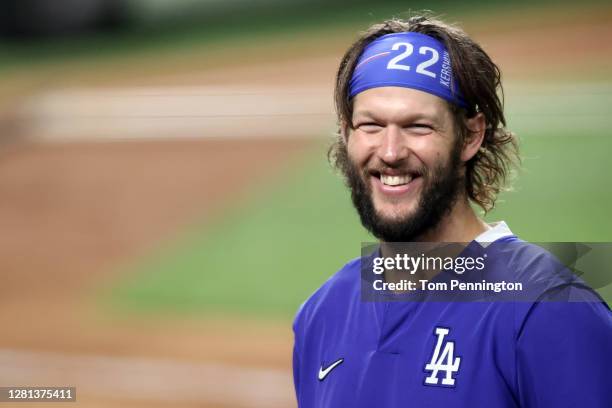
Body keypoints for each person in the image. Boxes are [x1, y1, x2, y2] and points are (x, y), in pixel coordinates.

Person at [292, 15, 612, 407]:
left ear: (471, 136)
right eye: (371, 125)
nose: (390, 152)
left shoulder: (545, 308)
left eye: (419, 126)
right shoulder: (323, 313)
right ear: (346, 134)